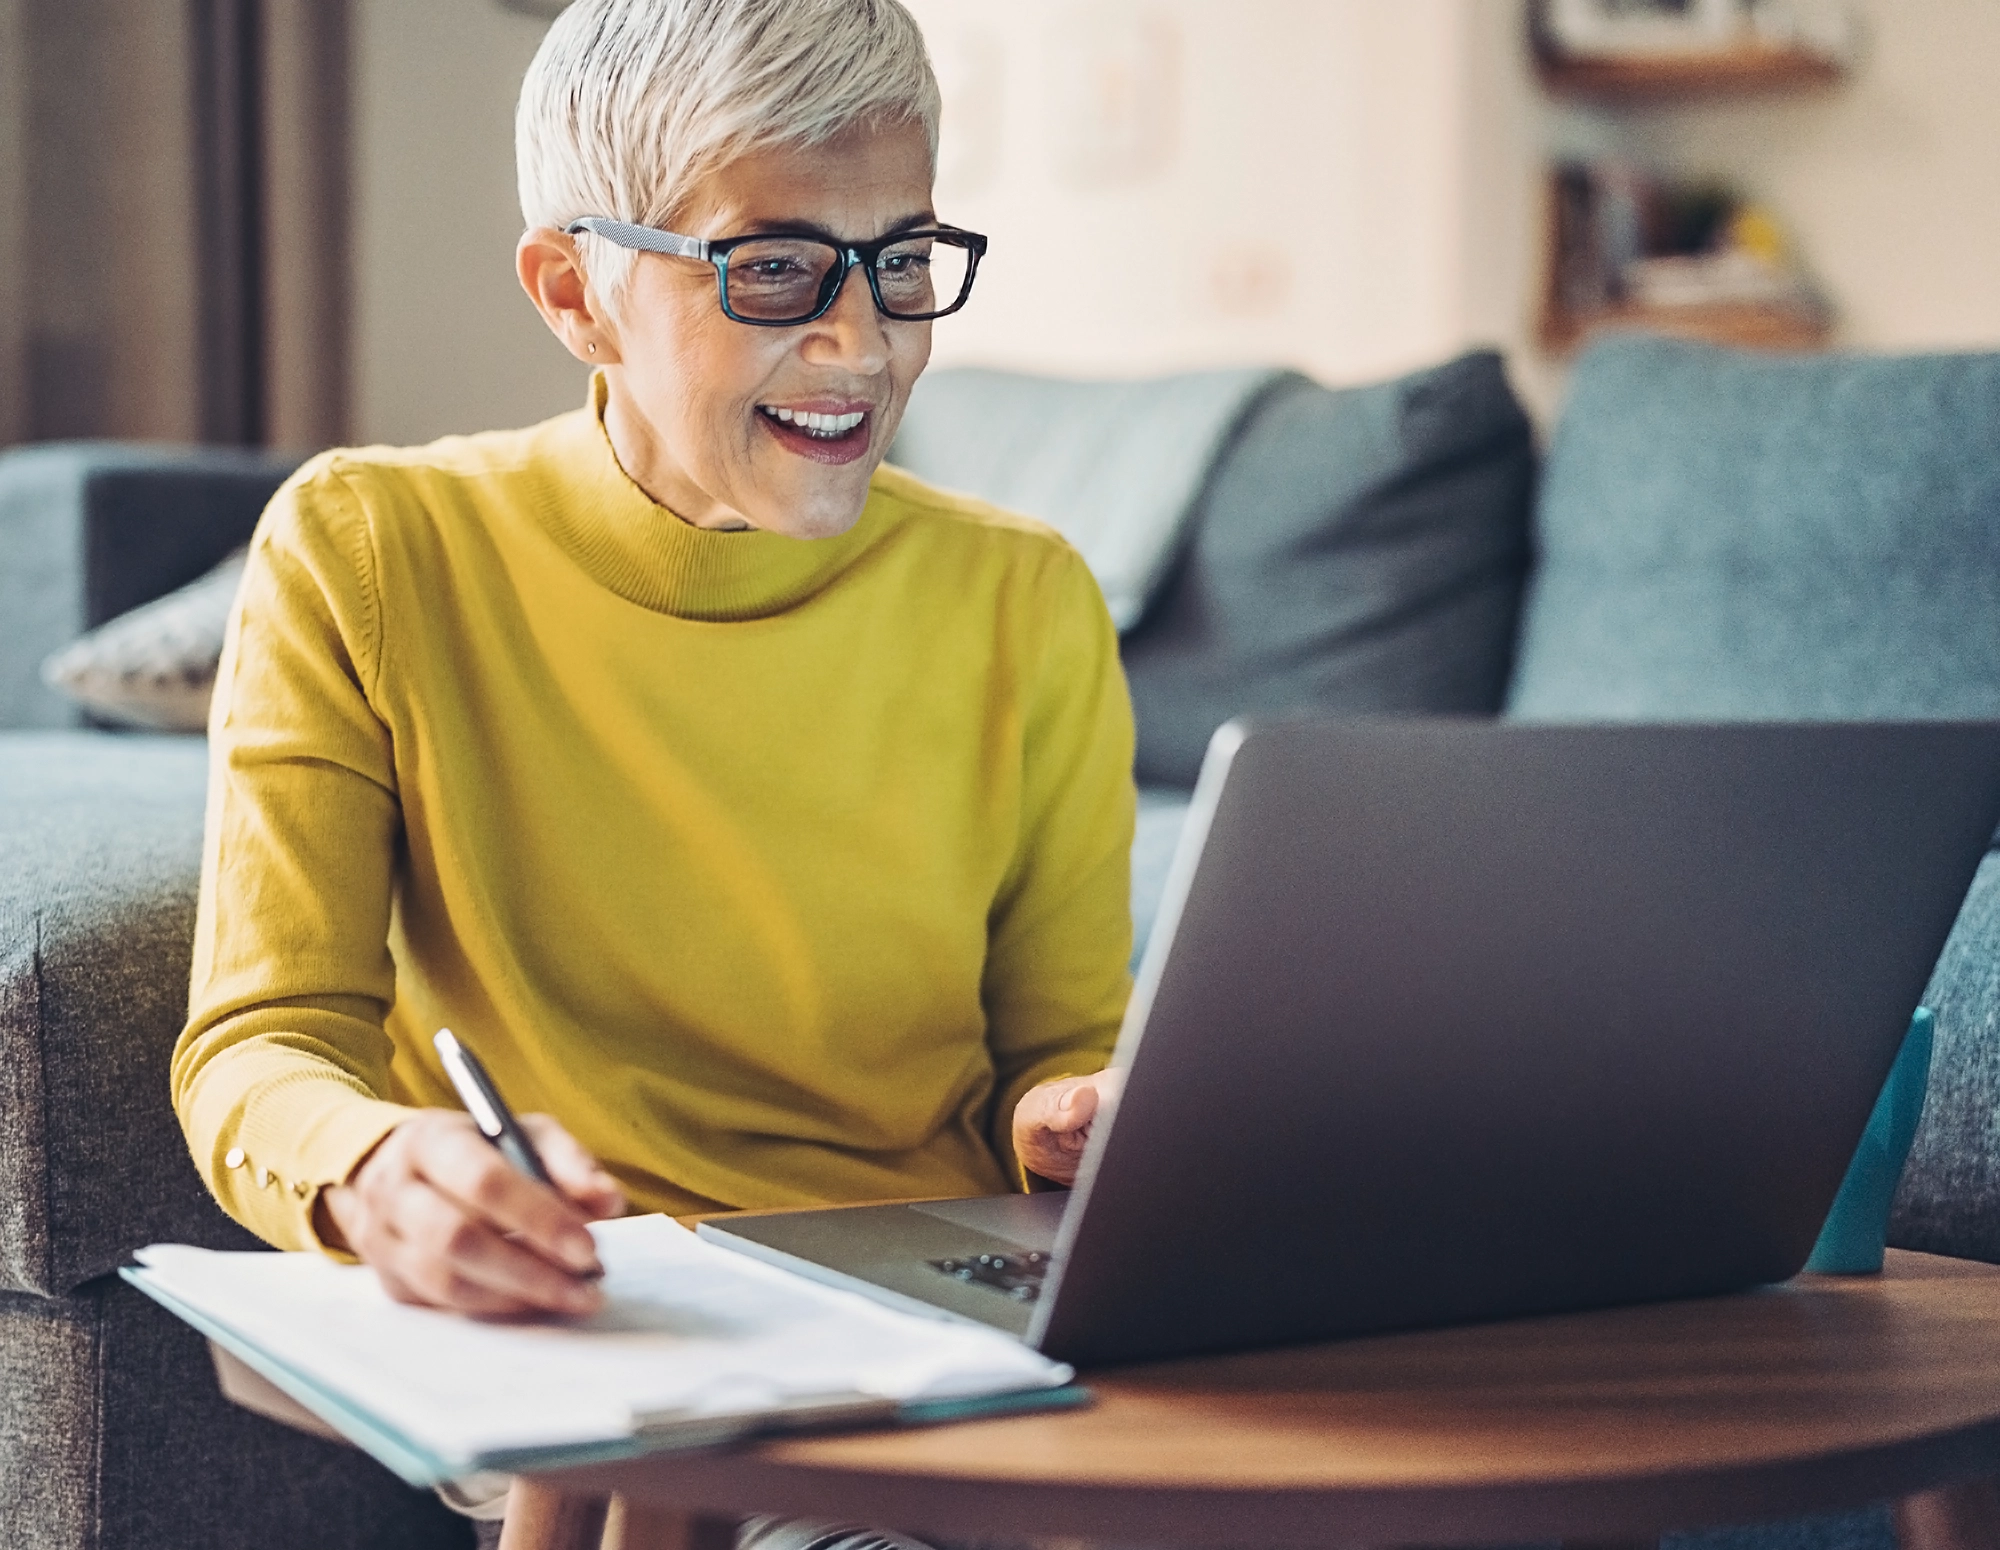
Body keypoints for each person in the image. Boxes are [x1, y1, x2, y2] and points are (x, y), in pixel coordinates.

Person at [171, 0, 1132, 1539]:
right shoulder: (371, 550)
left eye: (902, 261)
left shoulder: (1030, 598)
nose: (864, 341)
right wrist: (374, 1165)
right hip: (585, 1327)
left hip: (925, 1326)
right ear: (576, 292)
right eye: (772, 270)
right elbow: (260, 1043)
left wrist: (1075, 1114)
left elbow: (1055, 1053)